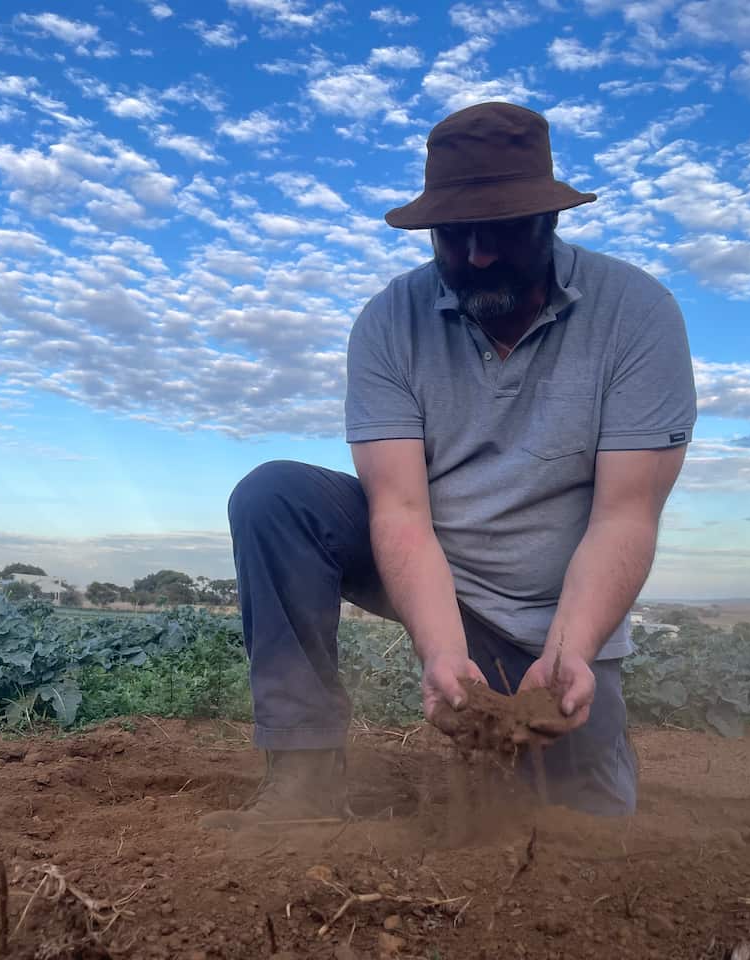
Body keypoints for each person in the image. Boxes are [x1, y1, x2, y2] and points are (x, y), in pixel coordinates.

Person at [201, 101, 696, 830]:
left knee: (585, 823)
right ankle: (302, 780)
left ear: (550, 221)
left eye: (499, 233)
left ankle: (581, 728)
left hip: (549, 621)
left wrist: (568, 653)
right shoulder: (388, 321)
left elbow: (624, 515)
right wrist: (441, 651)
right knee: (275, 497)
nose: (476, 257)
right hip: (434, 579)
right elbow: (398, 511)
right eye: (453, 236)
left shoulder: (637, 315)